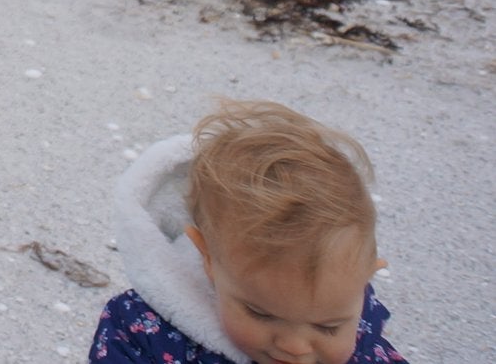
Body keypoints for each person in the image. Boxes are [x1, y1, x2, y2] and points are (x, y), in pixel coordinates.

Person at [92, 99, 405, 364]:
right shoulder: (142, 329)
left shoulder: (357, 322)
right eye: (261, 314)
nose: (295, 348)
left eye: (328, 327)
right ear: (208, 258)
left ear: (365, 277)